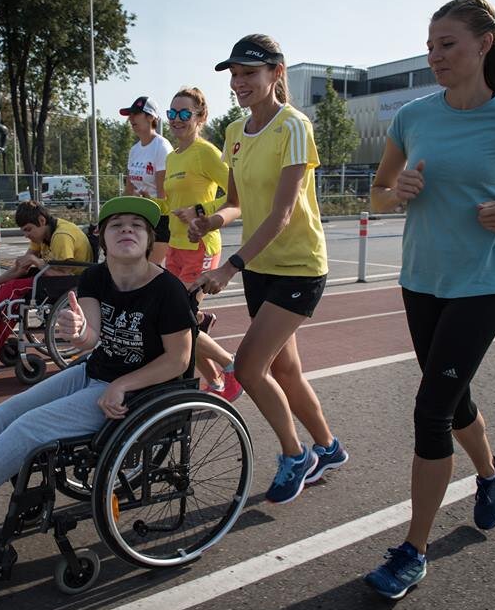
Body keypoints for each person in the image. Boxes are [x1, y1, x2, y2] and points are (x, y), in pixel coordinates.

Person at [362, 0, 495, 599]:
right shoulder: (413, 117)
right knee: (453, 402)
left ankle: (413, 550)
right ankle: (493, 471)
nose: (435, 56)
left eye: (447, 44)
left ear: (484, 44)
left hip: (480, 286)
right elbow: (377, 195)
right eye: (430, 46)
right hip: (420, 281)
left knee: (429, 412)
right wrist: (395, 190)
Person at [0, 196, 196, 537]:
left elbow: (179, 359)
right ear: (102, 236)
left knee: (29, 429)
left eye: (137, 225)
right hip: (94, 372)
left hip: (138, 392)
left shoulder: (167, 290)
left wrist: (123, 384)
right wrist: (79, 331)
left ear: (147, 239)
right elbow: (90, 337)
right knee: (4, 413)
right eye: (117, 224)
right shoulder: (97, 277)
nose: (127, 229)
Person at [190, 35, 348, 505]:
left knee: (250, 368)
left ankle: (295, 455)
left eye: (249, 73)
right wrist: (211, 219)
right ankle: (329, 448)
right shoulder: (236, 133)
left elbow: (282, 212)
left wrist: (230, 268)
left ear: (276, 73)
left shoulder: (294, 126)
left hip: (298, 267)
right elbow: (238, 203)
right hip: (260, 267)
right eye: (235, 75)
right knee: (287, 370)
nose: (240, 83)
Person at [164, 86, 242, 401]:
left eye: (185, 114)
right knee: (176, 319)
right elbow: (169, 202)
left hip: (201, 246)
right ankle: (218, 382)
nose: (177, 120)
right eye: (172, 113)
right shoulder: (172, 158)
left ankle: (230, 365)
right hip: (174, 247)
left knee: (177, 319)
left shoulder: (206, 152)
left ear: (200, 117)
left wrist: (201, 212)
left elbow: (235, 196)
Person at [0, 201, 92, 360]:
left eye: (28, 230)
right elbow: (20, 268)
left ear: (41, 221)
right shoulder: (41, 234)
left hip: (73, 282)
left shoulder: (62, 236)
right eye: (23, 231)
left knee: (13, 290)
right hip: (55, 278)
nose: (26, 235)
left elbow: (63, 273)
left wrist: (35, 261)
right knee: (7, 288)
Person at [121, 96, 173, 266]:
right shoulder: (134, 150)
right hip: (139, 216)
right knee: (135, 268)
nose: (131, 119)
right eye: (130, 115)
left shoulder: (162, 147)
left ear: (151, 117)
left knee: (149, 269)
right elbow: (129, 189)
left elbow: (163, 194)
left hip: (159, 218)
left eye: (136, 114)